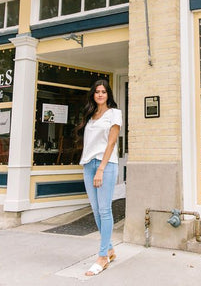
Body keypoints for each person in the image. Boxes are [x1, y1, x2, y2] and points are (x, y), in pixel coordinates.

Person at [78, 79, 122, 276]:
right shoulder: (90, 115)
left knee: (104, 210)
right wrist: (92, 167)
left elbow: (111, 144)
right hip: (88, 164)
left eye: (103, 91)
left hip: (105, 164)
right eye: (97, 92)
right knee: (96, 211)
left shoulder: (114, 114)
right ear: (93, 95)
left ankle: (102, 257)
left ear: (108, 94)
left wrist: (101, 169)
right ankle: (110, 249)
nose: (100, 94)